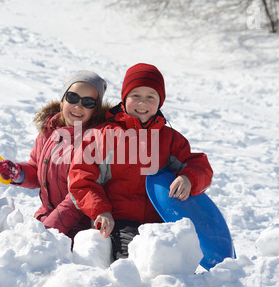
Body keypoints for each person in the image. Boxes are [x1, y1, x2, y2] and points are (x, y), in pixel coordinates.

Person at [68, 63, 213, 260]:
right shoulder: (102, 136)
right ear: (124, 98)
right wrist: (101, 210)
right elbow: (81, 179)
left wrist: (189, 178)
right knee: (133, 265)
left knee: (172, 268)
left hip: (163, 221)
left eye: (150, 97)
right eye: (135, 96)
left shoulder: (169, 139)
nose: (142, 103)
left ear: (160, 102)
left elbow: (199, 165)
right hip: (120, 221)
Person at [0, 70, 109, 240]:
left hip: (81, 227)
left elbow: (78, 197)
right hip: (48, 216)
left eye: (88, 102)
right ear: (63, 100)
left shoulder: (95, 140)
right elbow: (37, 169)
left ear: (96, 109)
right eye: (72, 98)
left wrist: (49, 229)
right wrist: (19, 173)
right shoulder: (49, 131)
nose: (78, 106)